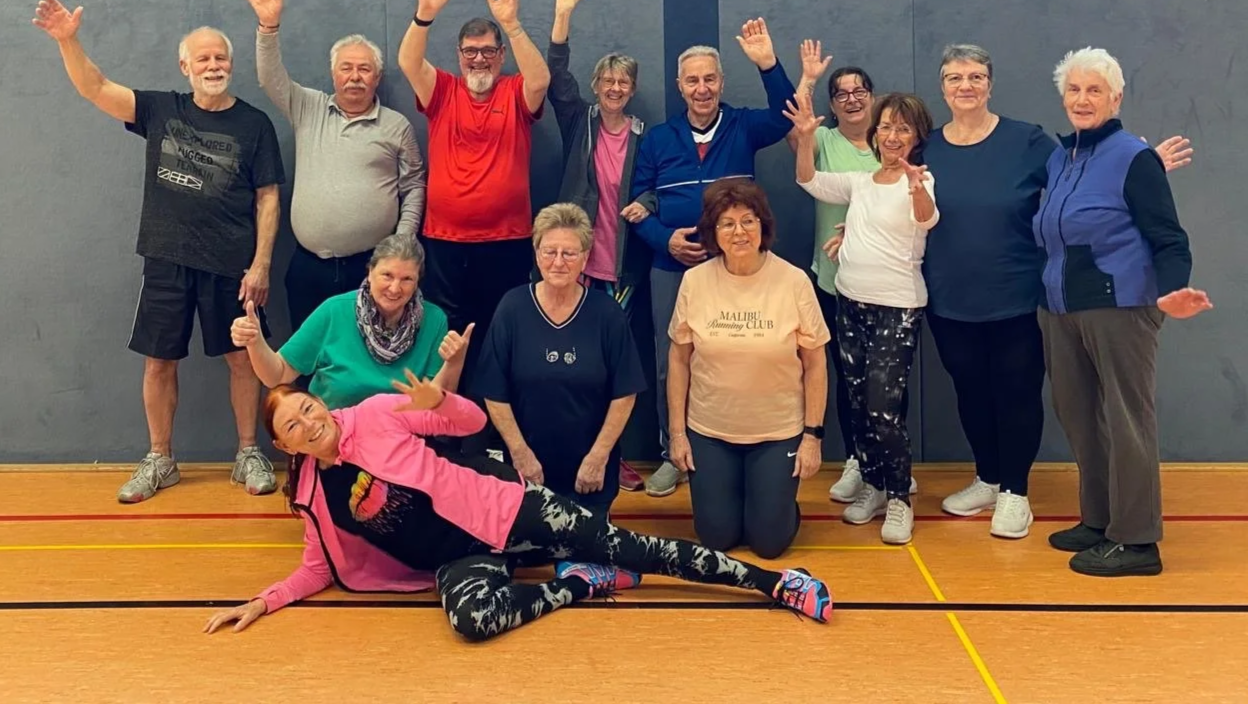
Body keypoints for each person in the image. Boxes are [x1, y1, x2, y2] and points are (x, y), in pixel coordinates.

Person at [201, 379, 833, 641]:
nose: (309, 421)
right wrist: (264, 600)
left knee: (637, 549)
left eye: (308, 406)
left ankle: (778, 585)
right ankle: (577, 588)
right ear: (283, 446)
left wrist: (439, 400)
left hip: (506, 510)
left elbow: (472, 421)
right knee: (473, 623)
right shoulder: (311, 495)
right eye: (293, 423)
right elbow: (317, 568)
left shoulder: (369, 414)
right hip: (461, 560)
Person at [922, 44, 1195, 539]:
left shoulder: (1035, 143)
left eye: (976, 76)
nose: (965, 85)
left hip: (1061, 301)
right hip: (1004, 301)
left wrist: (1146, 164)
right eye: (954, 77)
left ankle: (1094, 523)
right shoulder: (939, 148)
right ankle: (1064, 508)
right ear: (942, 86)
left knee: (1070, 407)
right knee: (1040, 410)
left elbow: (1127, 191)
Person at [33, 0, 284, 503]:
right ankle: (160, 459)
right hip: (166, 261)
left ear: (230, 65)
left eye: (221, 58)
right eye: (203, 58)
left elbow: (269, 197)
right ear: (185, 66)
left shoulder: (254, 124)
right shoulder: (160, 108)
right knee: (158, 362)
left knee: (241, 360)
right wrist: (68, 40)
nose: (213, 65)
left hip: (231, 268)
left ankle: (246, 454)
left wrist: (260, 265)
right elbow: (95, 87)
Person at [1034, 47, 1210, 577]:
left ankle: (1136, 542)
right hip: (1061, 308)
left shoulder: (1134, 157)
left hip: (1120, 307)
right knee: (1081, 419)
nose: (1082, 99)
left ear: (1116, 97)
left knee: (1127, 421)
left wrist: (1174, 290)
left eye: (1094, 90)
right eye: (1074, 89)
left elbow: (1169, 238)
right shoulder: (1060, 157)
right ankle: (1100, 520)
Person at [630, 18, 797, 497]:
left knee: (739, 357)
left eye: (709, 79)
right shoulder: (659, 138)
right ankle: (672, 454)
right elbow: (638, 203)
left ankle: (734, 453)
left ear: (721, 82)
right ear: (680, 86)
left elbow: (788, 112)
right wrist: (667, 242)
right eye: (692, 80)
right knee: (671, 362)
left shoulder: (744, 125)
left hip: (738, 271)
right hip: (671, 270)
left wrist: (768, 63)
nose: (701, 88)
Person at [790, 90, 938, 544]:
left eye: (903, 128)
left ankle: (899, 498)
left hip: (898, 307)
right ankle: (872, 485)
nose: (893, 136)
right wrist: (805, 138)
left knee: (882, 407)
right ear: (875, 135)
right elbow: (809, 182)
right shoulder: (859, 181)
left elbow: (927, 218)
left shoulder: (922, 181)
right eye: (886, 127)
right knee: (857, 403)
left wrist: (914, 190)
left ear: (917, 137)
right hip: (850, 304)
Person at [395, 0, 551, 395]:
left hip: (508, 240)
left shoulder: (514, 90)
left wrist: (512, 24)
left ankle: (498, 433)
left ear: (500, 55)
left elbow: (541, 79)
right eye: (470, 51)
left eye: (487, 50)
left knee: (503, 337)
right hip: (445, 241)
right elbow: (408, 60)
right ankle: (451, 429)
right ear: (459, 55)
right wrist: (424, 12)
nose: (478, 58)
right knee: (447, 338)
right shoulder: (442, 89)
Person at [243, 0, 427, 331]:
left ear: (377, 78)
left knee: (368, 358)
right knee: (309, 359)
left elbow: (415, 185)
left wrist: (402, 241)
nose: (355, 76)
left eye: (364, 69)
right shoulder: (307, 107)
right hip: (308, 267)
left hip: (371, 269)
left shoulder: (396, 126)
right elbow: (270, 78)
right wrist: (268, 28)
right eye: (347, 68)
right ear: (333, 74)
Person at [666, 181, 829, 558]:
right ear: (713, 233)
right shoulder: (695, 281)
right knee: (717, 538)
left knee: (769, 544)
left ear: (762, 226)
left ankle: (773, 503)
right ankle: (741, 498)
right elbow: (678, 359)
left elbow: (815, 363)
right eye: (727, 224)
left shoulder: (793, 281)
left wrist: (812, 437)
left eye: (748, 221)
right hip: (710, 431)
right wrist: (677, 434)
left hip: (777, 432)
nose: (739, 232)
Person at [544, 0, 654, 491]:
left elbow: (656, 186)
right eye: (608, 82)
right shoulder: (577, 120)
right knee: (572, 365)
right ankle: (568, 451)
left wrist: (647, 202)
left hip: (622, 268)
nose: (615, 89)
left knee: (613, 365)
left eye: (624, 83)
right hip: (574, 265)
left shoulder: (643, 136)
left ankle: (613, 456)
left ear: (632, 90)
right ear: (597, 86)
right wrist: (562, 18)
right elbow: (555, 74)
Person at [476, 203, 646, 513]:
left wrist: (598, 458)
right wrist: (521, 455)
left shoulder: (607, 314)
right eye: (549, 251)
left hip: (588, 475)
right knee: (525, 555)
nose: (558, 262)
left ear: (585, 258)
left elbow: (625, 394)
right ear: (536, 253)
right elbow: (493, 392)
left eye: (569, 253)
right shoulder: (512, 307)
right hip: (527, 471)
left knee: (580, 559)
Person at [232, 235, 469, 409]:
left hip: (401, 439)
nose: (395, 288)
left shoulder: (434, 319)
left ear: (418, 281)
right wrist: (255, 343)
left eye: (407, 279)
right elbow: (277, 374)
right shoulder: (334, 311)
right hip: (336, 439)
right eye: (387, 275)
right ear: (370, 272)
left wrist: (454, 363)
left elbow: (437, 403)